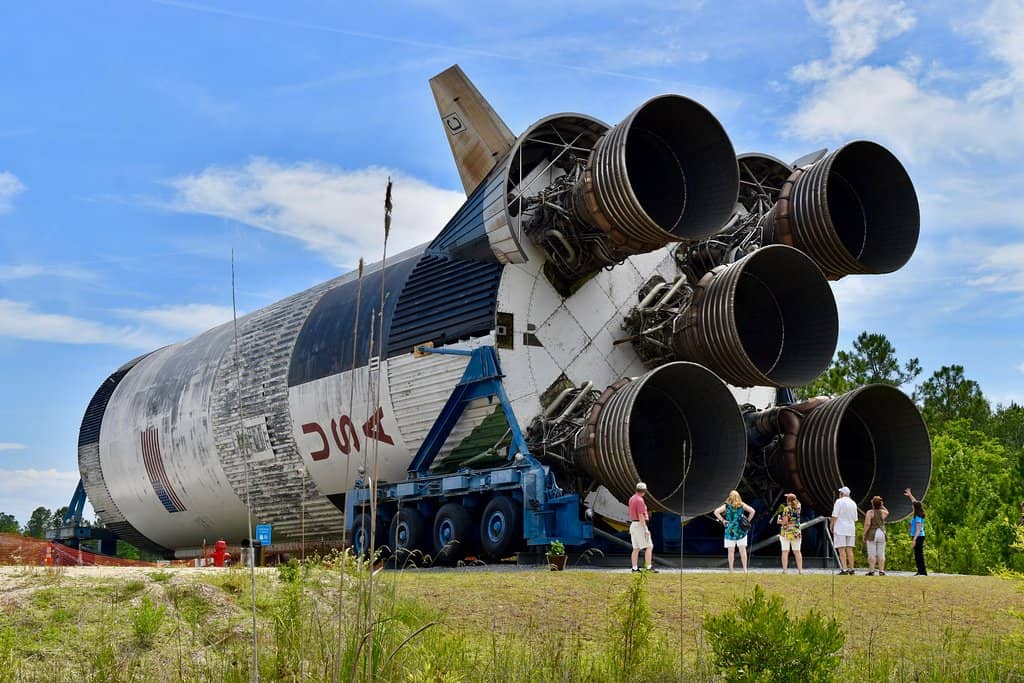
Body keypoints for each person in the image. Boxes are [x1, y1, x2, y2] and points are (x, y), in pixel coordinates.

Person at [714, 490, 755, 573]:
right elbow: (752, 511)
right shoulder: (741, 505)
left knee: (731, 551)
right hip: (741, 531)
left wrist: (723, 520)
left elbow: (716, 512)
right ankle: (745, 569)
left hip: (730, 530)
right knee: (742, 550)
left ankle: (731, 570)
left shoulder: (727, 506)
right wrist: (747, 521)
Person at [628, 482, 657, 573]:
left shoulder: (632, 498)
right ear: (644, 491)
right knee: (649, 546)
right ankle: (648, 567)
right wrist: (645, 529)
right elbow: (641, 515)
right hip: (639, 525)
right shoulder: (640, 500)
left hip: (633, 525)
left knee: (636, 548)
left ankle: (634, 568)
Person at [830, 486, 858, 574]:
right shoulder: (853, 503)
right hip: (851, 528)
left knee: (841, 549)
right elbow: (855, 518)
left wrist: (831, 525)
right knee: (850, 549)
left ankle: (844, 569)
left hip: (841, 528)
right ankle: (852, 568)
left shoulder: (839, 502)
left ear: (842, 494)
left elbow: (835, 515)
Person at [776, 493, 803, 574]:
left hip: (786, 533)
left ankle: (785, 570)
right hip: (796, 532)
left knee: (785, 551)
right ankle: (800, 571)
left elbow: (785, 522)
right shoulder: (798, 507)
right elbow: (797, 502)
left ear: (788, 501)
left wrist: (779, 521)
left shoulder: (787, 509)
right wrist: (792, 496)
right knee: (797, 552)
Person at [863, 496, 889, 575]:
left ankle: (872, 570)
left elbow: (867, 524)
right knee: (881, 553)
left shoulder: (870, 512)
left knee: (872, 554)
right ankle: (881, 571)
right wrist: (882, 505)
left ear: (872, 503)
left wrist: (864, 534)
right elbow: (887, 511)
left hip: (872, 533)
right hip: (882, 532)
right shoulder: (883, 512)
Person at [905, 487, 927, 575]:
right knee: (917, 554)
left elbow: (918, 529)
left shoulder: (917, 517)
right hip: (917, 536)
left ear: (915, 508)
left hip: (919, 536)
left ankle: (922, 571)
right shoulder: (917, 513)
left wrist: (914, 539)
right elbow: (915, 502)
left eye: (913, 505)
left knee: (919, 554)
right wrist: (910, 494)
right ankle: (920, 570)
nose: (912, 505)